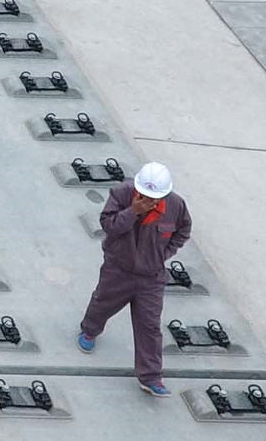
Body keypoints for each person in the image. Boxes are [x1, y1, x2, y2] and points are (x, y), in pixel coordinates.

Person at [77, 162, 192, 397]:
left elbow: (183, 231)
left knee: (149, 325)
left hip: (152, 276)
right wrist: (134, 211)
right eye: (145, 195)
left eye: (154, 196)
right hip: (118, 269)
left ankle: (151, 377)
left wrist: (164, 253)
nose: (149, 199)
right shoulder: (121, 194)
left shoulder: (176, 206)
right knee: (103, 303)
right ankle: (89, 330)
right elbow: (108, 225)